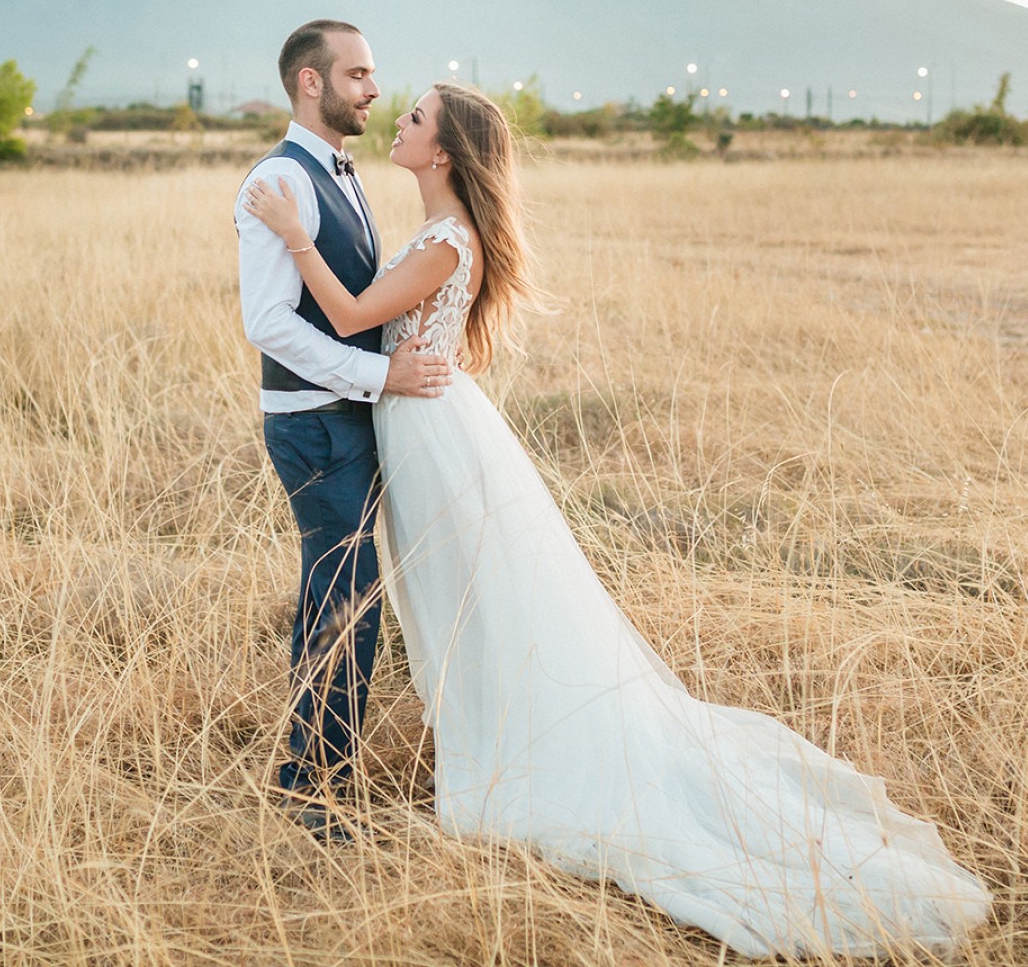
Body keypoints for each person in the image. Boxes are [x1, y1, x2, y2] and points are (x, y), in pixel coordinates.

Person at [242, 80, 991, 958]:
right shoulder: (437, 229)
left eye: (414, 118)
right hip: (419, 425)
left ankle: (517, 762)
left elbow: (352, 314)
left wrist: (295, 238)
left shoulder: (448, 238)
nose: (397, 121)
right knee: (460, 606)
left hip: (433, 433)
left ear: (443, 151)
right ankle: (480, 748)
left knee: (483, 605)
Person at [235, 20, 452, 838]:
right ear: (311, 83)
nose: (373, 90)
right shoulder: (277, 181)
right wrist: (380, 375)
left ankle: (320, 774)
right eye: (358, 74)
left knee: (347, 600)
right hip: (314, 424)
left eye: (374, 74)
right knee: (342, 604)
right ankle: (310, 794)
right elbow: (269, 324)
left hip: (345, 417)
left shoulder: (339, 170)